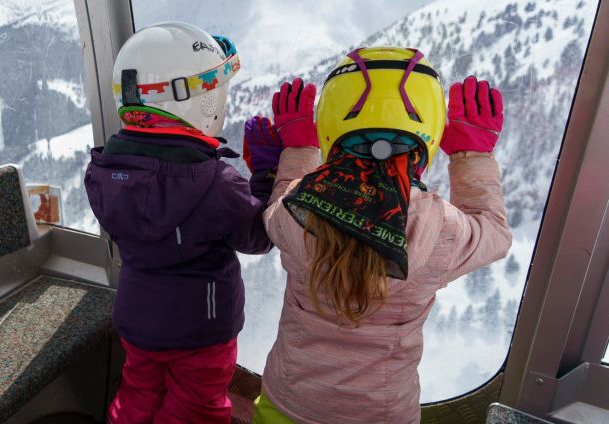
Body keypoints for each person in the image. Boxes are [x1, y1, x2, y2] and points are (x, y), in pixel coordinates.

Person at [249, 46, 512, 423]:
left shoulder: (296, 209)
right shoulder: (441, 229)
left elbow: (279, 203)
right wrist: (472, 156)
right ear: (429, 135)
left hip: (289, 402)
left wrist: (298, 145)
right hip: (381, 413)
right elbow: (493, 230)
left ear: (329, 128)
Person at [84, 22, 277, 423]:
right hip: (200, 331)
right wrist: (266, 176)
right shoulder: (217, 185)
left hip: (137, 320)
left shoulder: (101, 171)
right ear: (199, 101)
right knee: (195, 407)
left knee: (138, 392)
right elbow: (261, 236)